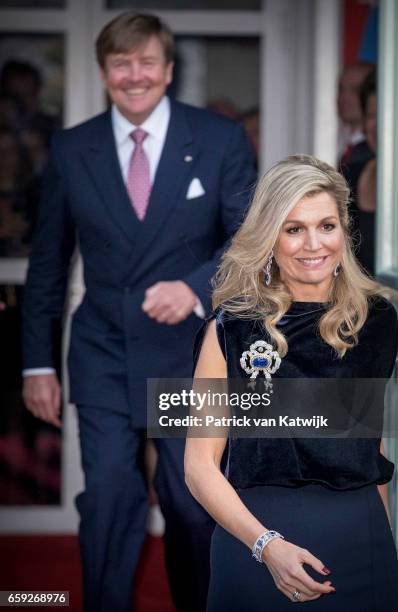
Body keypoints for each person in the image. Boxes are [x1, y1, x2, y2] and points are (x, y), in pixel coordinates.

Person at [21, 11, 256, 612]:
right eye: (121, 64)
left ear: (168, 69)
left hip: (188, 354)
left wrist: (197, 288)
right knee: (106, 496)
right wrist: (36, 366)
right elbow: (48, 262)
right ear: (103, 73)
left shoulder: (218, 139)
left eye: (146, 61)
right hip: (102, 349)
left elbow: (248, 239)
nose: (134, 75)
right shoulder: (74, 149)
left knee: (188, 501)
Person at [185, 154, 398, 610]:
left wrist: (384, 547)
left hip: (361, 544)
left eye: (326, 225)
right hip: (256, 546)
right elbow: (199, 466)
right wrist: (267, 547)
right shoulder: (232, 327)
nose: (313, 244)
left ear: (344, 230)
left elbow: (370, 446)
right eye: (293, 228)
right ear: (270, 239)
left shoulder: (377, 320)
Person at [337, 62, 374, 168]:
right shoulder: (342, 141)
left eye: (355, 89)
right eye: (341, 89)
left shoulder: (375, 148)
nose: (344, 97)